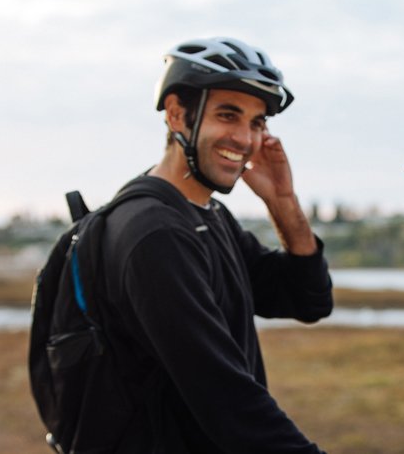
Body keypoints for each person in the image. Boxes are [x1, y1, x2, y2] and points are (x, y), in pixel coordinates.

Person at [98, 37, 333, 453]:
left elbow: (307, 299)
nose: (245, 138)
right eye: (228, 115)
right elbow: (226, 398)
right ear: (176, 114)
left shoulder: (206, 216)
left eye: (258, 123)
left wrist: (282, 201)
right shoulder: (156, 233)